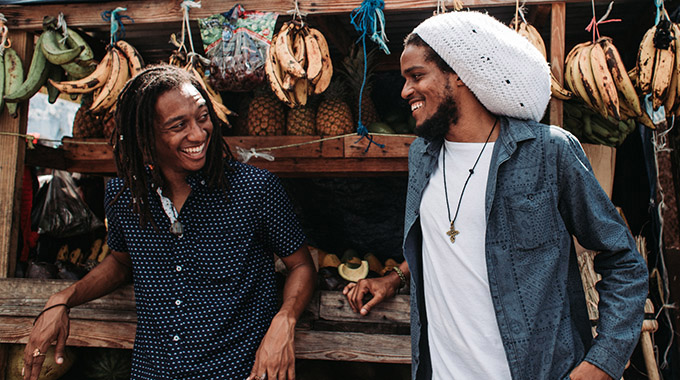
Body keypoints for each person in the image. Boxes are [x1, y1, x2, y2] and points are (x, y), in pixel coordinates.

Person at [344, 11, 648, 380]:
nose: (405, 90)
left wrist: (603, 362)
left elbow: (623, 260)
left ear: (459, 72)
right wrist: (395, 277)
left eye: (417, 76)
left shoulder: (547, 152)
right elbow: (453, 240)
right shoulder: (421, 156)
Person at [23, 64, 316, 380]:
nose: (198, 133)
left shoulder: (254, 189)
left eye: (203, 117)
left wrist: (284, 320)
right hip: (154, 371)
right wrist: (64, 299)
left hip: (237, 371)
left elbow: (301, 266)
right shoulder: (124, 196)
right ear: (145, 135)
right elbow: (122, 262)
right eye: (179, 126)